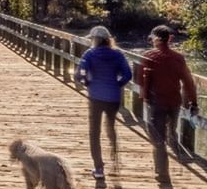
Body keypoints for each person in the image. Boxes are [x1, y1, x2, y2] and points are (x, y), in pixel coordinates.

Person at [139, 24, 198, 177]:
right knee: (172, 132)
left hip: (156, 103)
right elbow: (188, 82)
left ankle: (162, 172)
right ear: (169, 39)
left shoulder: (149, 56)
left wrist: (144, 98)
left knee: (157, 138)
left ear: (156, 39)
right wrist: (193, 103)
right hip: (174, 103)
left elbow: (142, 81)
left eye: (152, 38)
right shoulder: (179, 58)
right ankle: (180, 160)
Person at [76, 26, 131, 179]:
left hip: (95, 97)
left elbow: (80, 72)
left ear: (94, 39)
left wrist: (86, 82)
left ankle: (99, 168)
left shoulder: (90, 54)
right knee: (111, 126)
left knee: (94, 132)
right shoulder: (118, 54)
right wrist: (117, 84)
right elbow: (128, 74)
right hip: (113, 98)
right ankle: (115, 157)